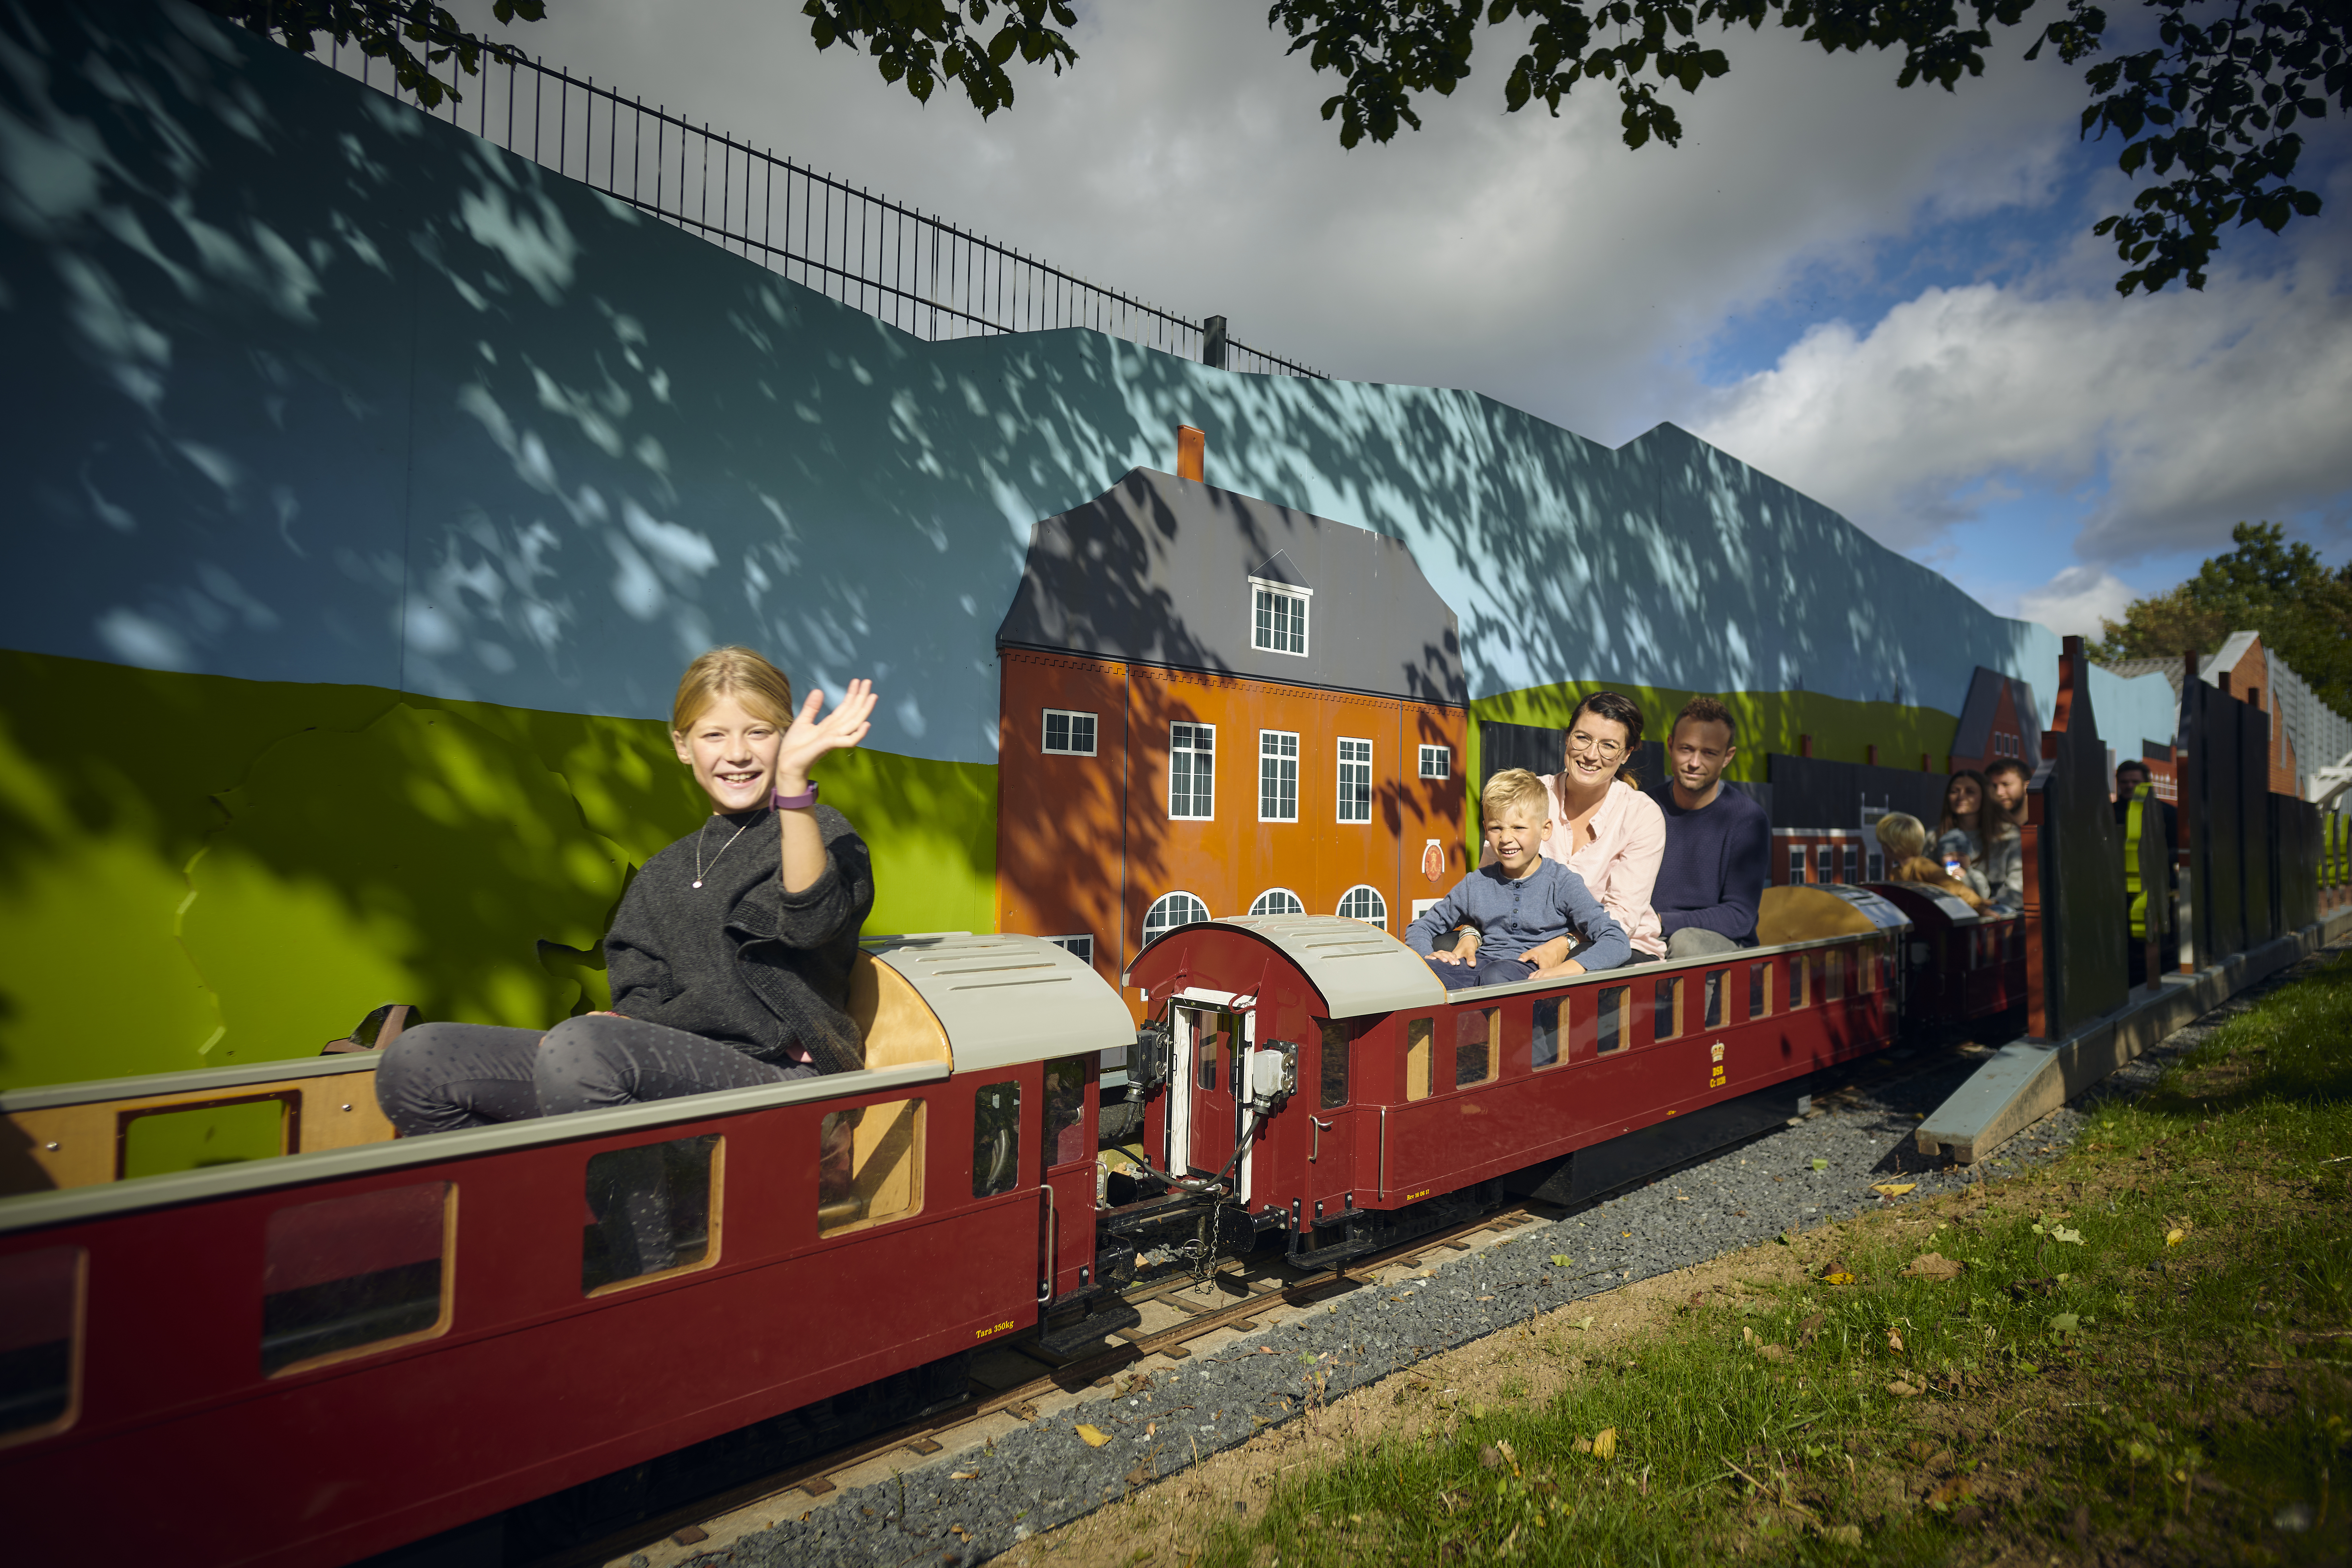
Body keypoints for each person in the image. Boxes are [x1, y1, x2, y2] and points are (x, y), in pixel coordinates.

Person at [376, 646, 880, 1140]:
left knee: (586, 1049)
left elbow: (810, 924)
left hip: (778, 1078)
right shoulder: (665, 869)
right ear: (683, 746)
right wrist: (625, 1022)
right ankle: (516, 1212)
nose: (738, 753)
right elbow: (641, 987)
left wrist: (794, 785)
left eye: (759, 732)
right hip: (663, 1066)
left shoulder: (818, 832)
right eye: (714, 734)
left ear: (787, 738)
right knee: (420, 1059)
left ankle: (639, 1223)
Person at [1451, 691, 1664, 968]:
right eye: (1583, 737)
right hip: (1527, 938)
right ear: (1567, 737)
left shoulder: (1642, 814)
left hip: (1615, 944)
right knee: (1444, 950)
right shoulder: (1528, 796)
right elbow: (1490, 886)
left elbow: (1621, 916)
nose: (1590, 754)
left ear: (1626, 754)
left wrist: (1564, 943)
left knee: (1564, 967)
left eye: (1609, 745)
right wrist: (1471, 934)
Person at [1406, 769, 1629, 989]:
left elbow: (1616, 941)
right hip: (1481, 965)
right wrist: (1430, 956)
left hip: (1532, 973)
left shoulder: (1562, 883)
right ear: (1485, 829)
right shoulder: (1477, 883)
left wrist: (1570, 969)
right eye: (1496, 828)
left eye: (1518, 828)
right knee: (1427, 974)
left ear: (1545, 830)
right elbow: (1421, 927)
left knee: (1496, 976)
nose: (1505, 838)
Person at [1643, 696, 1770, 955]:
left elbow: (1739, 917)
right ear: (1670, 745)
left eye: (1709, 753)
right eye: (1686, 749)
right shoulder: (1644, 806)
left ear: (1727, 757)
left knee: (1685, 944)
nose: (1694, 763)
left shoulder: (1748, 820)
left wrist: (1662, 922)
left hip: (1717, 944)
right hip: (1646, 934)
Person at [1937, 768, 2021, 911]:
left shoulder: (2007, 835)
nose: (1961, 797)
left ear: (1985, 797)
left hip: (1995, 910)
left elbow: (2018, 881)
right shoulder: (1936, 837)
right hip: (1948, 910)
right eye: (1955, 791)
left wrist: (1993, 903)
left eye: (1970, 792)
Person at [1874, 812, 1989, 910]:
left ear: (1892, 847)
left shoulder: (1922, 866)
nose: (1883, 847)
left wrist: (1977, 905)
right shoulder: (1896, 873)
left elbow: (1954, 886)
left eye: (1884, 844)